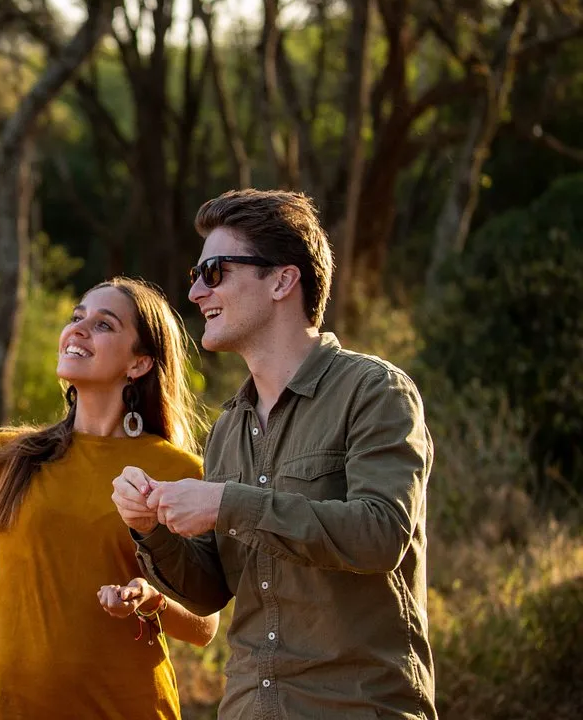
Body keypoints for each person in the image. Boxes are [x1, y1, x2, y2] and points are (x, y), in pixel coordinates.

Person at [112, 189, 437, 719]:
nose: (194, 292)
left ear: (283, 280)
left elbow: (381, 535)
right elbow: (211, 591)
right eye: (196, 275)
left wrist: (227, 503)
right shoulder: (227, 429)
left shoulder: (374, 391)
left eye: (213, 272)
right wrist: (150, 527)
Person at [0, 263, 219, 719]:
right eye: (76, 317)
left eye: (103, 325)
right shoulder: (20, 454)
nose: (78, 330)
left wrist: (151, 601)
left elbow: (204, 626)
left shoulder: (178, 470)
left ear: (140, 363)